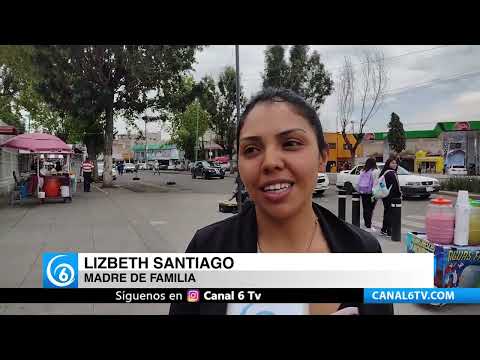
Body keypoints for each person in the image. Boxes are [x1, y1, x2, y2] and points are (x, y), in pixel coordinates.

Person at [169, 88, 393, 316]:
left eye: (291, 143)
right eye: (252, 149)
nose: (270, 162)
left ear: (322, 158)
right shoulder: (206, 250)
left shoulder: (364, 252)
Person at [378, 156, 401, 237]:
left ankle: (384, 230)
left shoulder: (384, 172)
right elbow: (397, 186)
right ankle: (389, 231)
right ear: (388, 164)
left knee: (387, 212)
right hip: (392, 196)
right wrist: (400, 194)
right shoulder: (392, 173)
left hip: (385, 195)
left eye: (395, 163)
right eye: (393, 163)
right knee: (390, 214)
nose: (395, 164)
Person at [357, 158, 378, 232]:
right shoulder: (375, 171)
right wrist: (375, 193)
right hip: (371, 193)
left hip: (363, 192)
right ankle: (369, 224)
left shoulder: (362, 171)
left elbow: (358, 182)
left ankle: (367, 223)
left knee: (365, 208)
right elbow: (376, 183)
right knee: (370, 209)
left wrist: (359, 189)